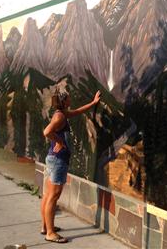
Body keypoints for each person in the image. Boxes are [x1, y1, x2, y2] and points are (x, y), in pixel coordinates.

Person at [41, 88, 101, 243]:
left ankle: (46, 227)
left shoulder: (61, 113)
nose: (71, 99)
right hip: (58, 160)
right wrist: (61, 142)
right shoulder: (60, 117)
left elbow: (78, 111)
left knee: (48, 195)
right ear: (64, 101)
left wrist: (94, 102)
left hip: (53, 159)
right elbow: (46, 131)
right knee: (53, 197)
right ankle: (50, 233)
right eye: (68, 98)